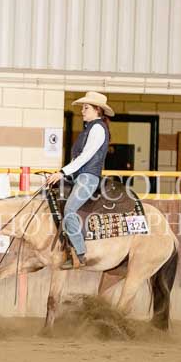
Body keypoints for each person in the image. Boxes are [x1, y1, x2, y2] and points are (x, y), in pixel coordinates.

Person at [45, 91, 112, 269]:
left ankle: (80, 253)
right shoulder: (90, 128)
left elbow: (85, 156)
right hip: (80, 176)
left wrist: (62, 172)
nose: (82, 111)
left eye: (86, 108)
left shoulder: (97, 129)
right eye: (83, 108)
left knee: (69, 209)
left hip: (88, 178)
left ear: (97, 110)